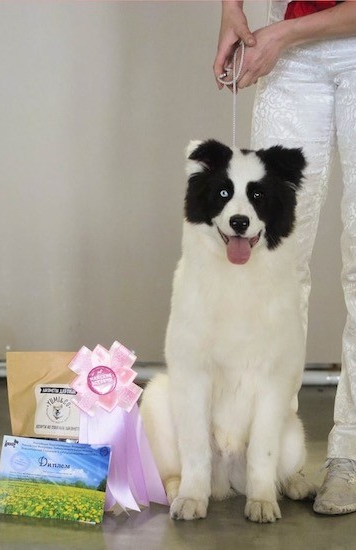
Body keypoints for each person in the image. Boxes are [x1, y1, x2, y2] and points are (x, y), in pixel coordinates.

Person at [213, 0, 356, 515]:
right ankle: (278, 449)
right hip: (291, 53)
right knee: (276, 263)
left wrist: (284, 35)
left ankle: (350, 454)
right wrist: (232, 11)